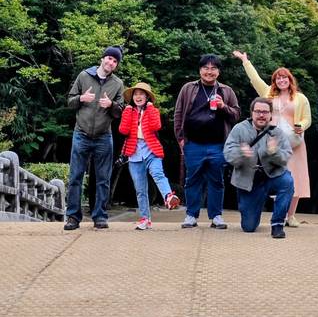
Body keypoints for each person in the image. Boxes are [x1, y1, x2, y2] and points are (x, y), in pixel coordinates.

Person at [232, 51, 311, 227]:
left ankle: (291, 215)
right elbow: (255, 79)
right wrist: (245, 61)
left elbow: (307, 118)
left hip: (295, 142)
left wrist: (301, 126)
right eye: (278, 78)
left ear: (290, 80)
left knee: (295, 178)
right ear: (275, 81)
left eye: (285, 78)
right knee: (277, 175)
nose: (281, 81)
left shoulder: (300, 98)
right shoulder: (268, 93)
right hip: (273, 142)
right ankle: (280, 215)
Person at [174, 54, 240, 229]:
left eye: (213, 68)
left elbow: (236, 115)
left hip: (218, 144)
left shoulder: (226, 91)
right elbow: (178, 113)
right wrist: (180, 138)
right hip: (193, 143)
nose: (209, 72)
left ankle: (216, 216)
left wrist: (222, 107)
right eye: (206, 68)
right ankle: (191, 215)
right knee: (192, 180)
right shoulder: (188, 88)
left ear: (218, 72)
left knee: (216, 180)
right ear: (200, 70)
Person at [64, 46, 125, 231]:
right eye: (109, 59)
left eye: (115, 61)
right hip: (81, 133)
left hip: (104, 136)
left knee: (103, 178)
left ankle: (100, 216)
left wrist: (111, 104)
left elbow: (120, 111)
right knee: (76, 176)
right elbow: (70, 101)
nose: (111, 63)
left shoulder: (118, 84)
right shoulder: (84, 76)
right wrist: (81, 98)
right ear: (102, 58)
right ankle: (73, 217)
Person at [223, 97, 294, 239]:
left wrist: (273, 152)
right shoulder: (239, 129)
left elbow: (286, 156)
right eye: (258, 111)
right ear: (252, 113)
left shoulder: (277, 132)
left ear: (270, 115)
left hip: (272, 176)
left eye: (265, 112)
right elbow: (228, 154)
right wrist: (242, 153)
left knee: (287, 182)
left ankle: (277, 224)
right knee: (249, 227)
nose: (261, 115)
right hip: (249, 181)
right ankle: (254, 206)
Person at [119, 82, 180, 230]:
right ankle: (145, 218)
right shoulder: (129, 111)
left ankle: (169, 197)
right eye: (136, 94)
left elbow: (156, 126)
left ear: (147, 97)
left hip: (151, 150)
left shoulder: (153, 110)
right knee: (140, 188)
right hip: (134, 152)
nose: (138, 97)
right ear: (132, 97)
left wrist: (151, 109)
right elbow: (123, 130)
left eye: (142, 94)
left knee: (157, 173)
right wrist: (127, 111)